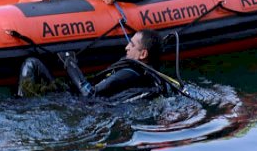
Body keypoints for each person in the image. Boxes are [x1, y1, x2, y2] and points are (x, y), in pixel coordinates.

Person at [17, 30, 178, 101]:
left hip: (76, 104)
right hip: (75, 100)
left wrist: (69, 63)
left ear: (143, 54)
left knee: (31, 64)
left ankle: (22, 108)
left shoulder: (131, 72)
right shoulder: (141, 76)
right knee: (34, 64)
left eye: (132, 44)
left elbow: (90, 94)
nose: (126, 47)